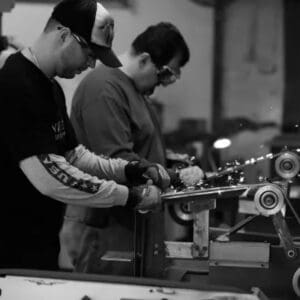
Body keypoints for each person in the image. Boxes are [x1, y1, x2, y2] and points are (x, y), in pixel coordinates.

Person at [0, 0, 171, 271]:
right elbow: (50, 177)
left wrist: (131, 169)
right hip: (10, 253)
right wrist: (131, 195)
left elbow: (73, 155)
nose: (91, 65)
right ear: (64, 35)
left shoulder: (51, 87)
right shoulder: (16, 83)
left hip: (39, 244)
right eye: (89, 53)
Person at [60, 22, 204, 277]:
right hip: (109, 232)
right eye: (165, 74)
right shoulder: (104, 88)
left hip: (135, 228)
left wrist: (170, 162)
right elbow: (114, 160)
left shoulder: (135, 93)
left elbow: (139, 150)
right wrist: (173, 176)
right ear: (145, 59)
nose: (165, 84)